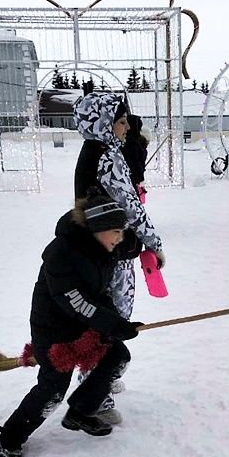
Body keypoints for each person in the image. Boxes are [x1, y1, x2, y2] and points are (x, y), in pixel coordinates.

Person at [0, 191, 144, 457]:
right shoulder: (60, 254)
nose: (119, 238)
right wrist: (112, 324)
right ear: (97, 229)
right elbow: (76, 302)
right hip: (54, 332)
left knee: (117, 357)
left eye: (121, 231)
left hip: (82, 324)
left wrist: (117, 323)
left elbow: (103, 287)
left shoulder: (102, 246)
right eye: (115, 231)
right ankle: (10, 437)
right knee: (52, 389)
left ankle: (81, 411)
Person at [72, 93, 165, 424]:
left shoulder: (95, 151)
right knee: (110, 320)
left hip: (101, 251)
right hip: (111, 253)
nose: (127, 128)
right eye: (121, 121)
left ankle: (101, 378)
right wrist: (154, 242)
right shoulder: (107, 159)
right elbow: (132, 207)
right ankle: (95, 394)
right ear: (103, 123)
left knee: (107, 318)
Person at [121, 114, 149, 200]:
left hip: (132, 179)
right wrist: (140, 177)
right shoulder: (132, 143)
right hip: (131, 180)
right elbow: (134, 163)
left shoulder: (132, 141)